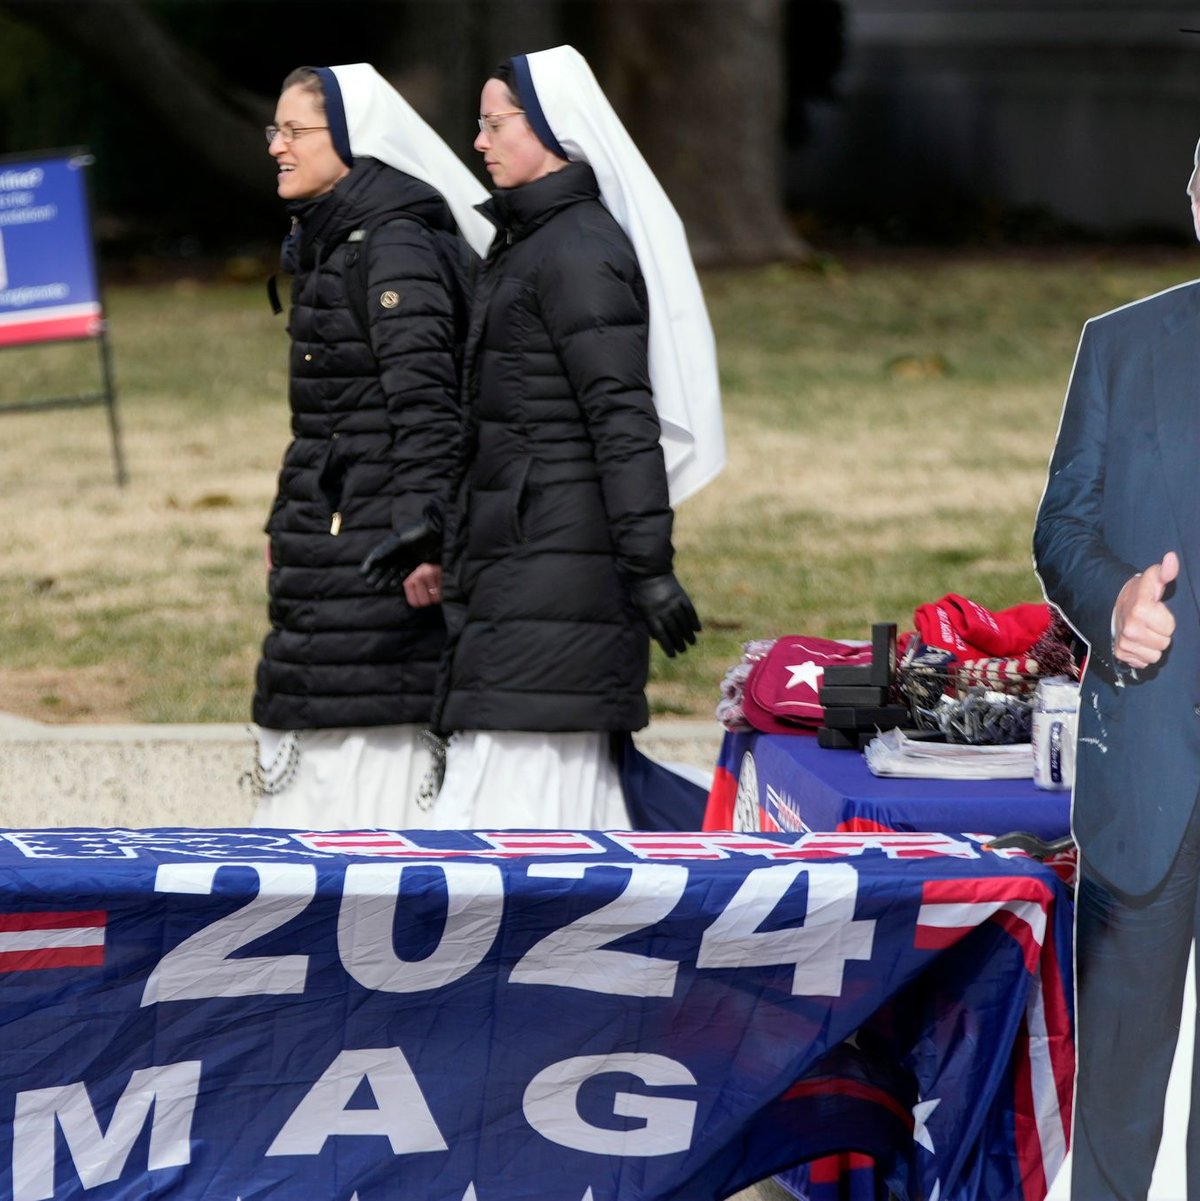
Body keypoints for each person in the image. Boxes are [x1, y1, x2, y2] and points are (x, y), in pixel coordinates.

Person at [361, 46, 724, 828]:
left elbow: (622, 420)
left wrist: (650, 568)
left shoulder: (578, 251)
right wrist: (441, 524)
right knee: (508, 792)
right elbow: (510, 422)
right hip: (523, 560)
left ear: (557, 133)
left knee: (531, 806)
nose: (480, 142)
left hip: (558, 569)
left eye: (495, 124)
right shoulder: (530, 242)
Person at [251, 63, 493, 829]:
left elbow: (426, 405)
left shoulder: (393, 248)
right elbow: (328, 419)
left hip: (380, 536)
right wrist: (280, 523)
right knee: (330, 696)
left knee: (369, 713)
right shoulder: (337, 241)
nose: (277, 149)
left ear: (351, 142)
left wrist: (429, 534)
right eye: (274, 131)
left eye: (296, 132)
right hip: (335, 528)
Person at [1033, 137, 1200, 1199]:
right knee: (1117, 1091)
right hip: (1147, 764)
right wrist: (1113, 603)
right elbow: (1063, 527)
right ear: (1192, 197)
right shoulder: (1122, 345)